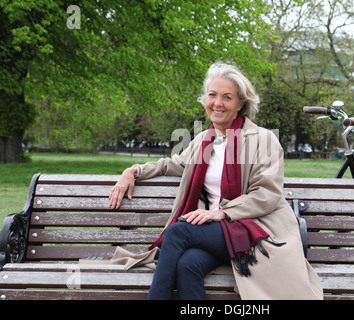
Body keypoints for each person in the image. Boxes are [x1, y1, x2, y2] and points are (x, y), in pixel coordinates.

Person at [108, 61, 323, 300]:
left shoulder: (263, 139)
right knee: (187, 264)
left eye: (227, 97)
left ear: (241, 104)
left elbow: (267, 194)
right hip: (217, 234)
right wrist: (133, 171)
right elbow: (174, 164)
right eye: (212, 95)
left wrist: (222, 213)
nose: (218, 103)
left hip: (254, 230)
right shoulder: (203, 140)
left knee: (178, 233)